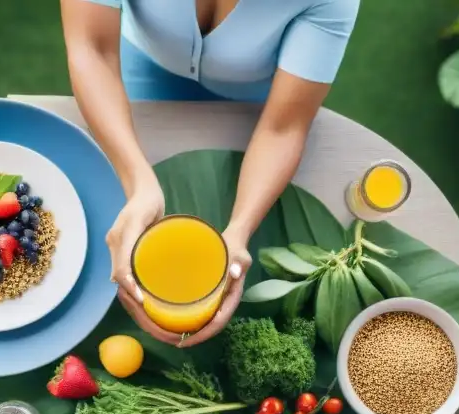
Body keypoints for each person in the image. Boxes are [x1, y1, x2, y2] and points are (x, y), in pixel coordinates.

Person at [61, 0, 361, 346]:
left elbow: (284, 126)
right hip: (139, 75)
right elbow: (93, 49)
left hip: (253, 105)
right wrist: (138, 181)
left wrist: (239, 230)